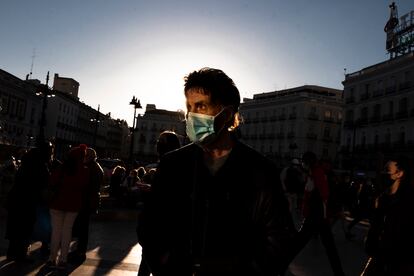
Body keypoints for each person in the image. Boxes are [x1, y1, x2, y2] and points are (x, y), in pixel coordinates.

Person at [137, 67, 295, 276]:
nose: (191, 116)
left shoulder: (260, 171)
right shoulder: (173, 165)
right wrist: (167, 265)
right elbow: (150, 227)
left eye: (200, 106)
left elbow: (279, 240)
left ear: (228, 114)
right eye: (189, 107)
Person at [288, 151, 345, 276]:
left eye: (303, 162)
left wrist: (309, 211)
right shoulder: (316, 173)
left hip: (315, 217)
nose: (302, 164)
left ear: (307, 162)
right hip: (320, 217)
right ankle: (339, 273)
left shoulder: (315, 174)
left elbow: (321, 194)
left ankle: (278, 266)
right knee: (330, 248)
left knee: (297, 244)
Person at [361, 156, 414, 275]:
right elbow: (376, 224)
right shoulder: (382, 197)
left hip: (400, 257)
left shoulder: (409, 199)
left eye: (387, 170)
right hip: (380, 253)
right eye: (383, 170)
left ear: (399, 174)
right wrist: (371, 242)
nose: (383, 173)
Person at [5, 142, 52, 262]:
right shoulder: (42, 167)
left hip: (16, 199)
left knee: (14, 226)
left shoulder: (24, 165)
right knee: (25, 228)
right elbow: (44, 188)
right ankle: (21, 254)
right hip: (29, 201)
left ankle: (11, 252)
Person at [47, 144, 89, 269]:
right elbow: (84, 186)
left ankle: (51, 259)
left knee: (55, 231)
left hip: (57, 203)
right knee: (67, 232)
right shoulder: (84, 170)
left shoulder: (62, 168)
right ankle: (63, 260)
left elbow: (52, 181)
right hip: (73, 205)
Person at [70, 147, 104, 264]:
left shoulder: (90, 168)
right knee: (83, 228)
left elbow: (86, 185)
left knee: (82, 228)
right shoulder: (96, 167)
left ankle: (80, 252)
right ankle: (79, 251)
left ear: (89, 157)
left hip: (86, 202)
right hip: (89, 202)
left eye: (85, 156)